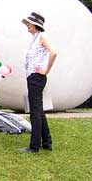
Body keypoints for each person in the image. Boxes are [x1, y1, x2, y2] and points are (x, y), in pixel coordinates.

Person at [20, 12, 57, 153]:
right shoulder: (35, 38)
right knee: (39, 111)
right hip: (33, 77)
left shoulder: (42, 37)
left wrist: (46, 70)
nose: (27, 25)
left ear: (36, 25)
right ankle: (46, 142)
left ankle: (34, 145)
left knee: (35, 112)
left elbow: (53, 52)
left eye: (29, 23)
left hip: (36, 77)